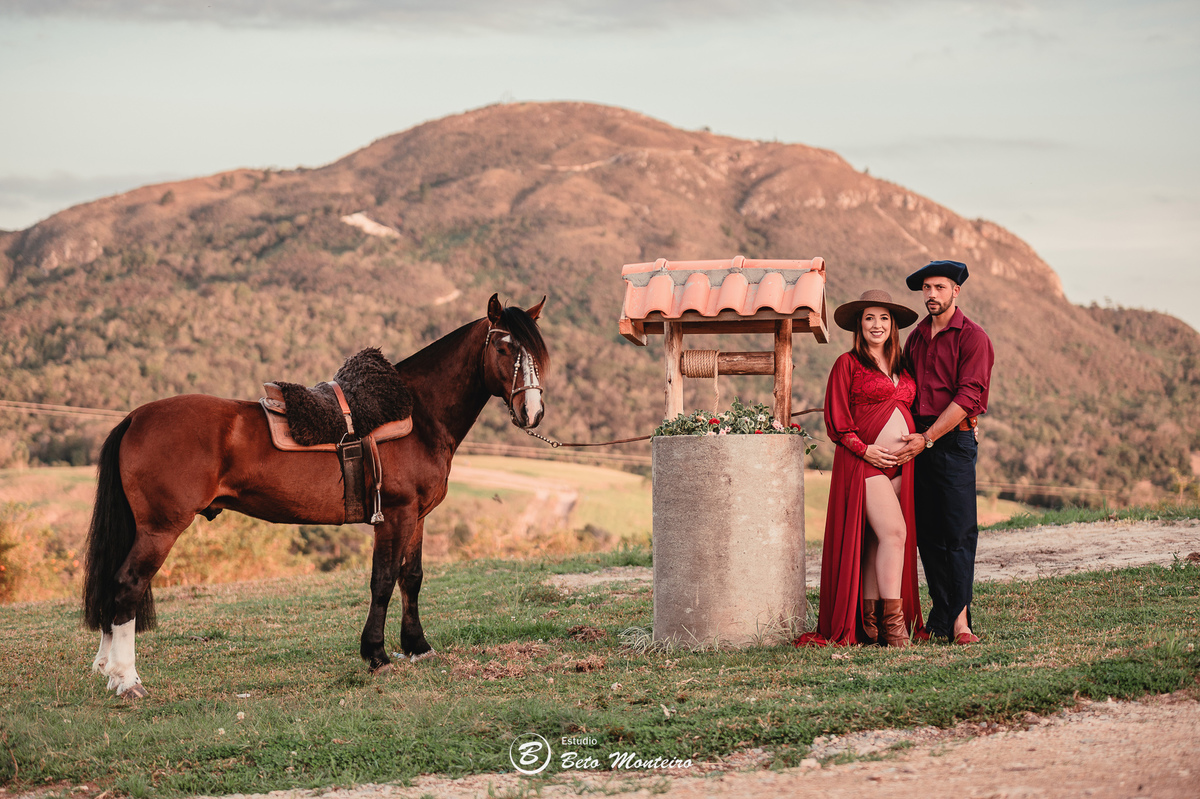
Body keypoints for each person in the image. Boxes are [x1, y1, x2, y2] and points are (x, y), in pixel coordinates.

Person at [799, 289, 925, 647]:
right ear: (860, 324)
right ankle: (894, 625)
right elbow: (837, 421)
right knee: (895, 534)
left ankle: (869, 623)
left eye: (883, 318)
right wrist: (865, 450)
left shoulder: (903, 366)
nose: (877, 324)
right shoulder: (847, 364)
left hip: (902, 467)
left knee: (875, 540)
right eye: (870, 318)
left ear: (893, 326)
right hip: (864, 463)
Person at [891, 260, 994, 645]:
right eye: (927, 288)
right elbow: (903, 388)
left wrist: (929, 436)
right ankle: (940, 617)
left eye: (939, 287)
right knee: (928, 534)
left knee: (959, 532)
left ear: (956, 292)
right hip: (919, 441)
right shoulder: (916, 338)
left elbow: (968, 397)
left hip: (952, 440)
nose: (932, 294)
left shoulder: (973, 337)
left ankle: (960, 622)